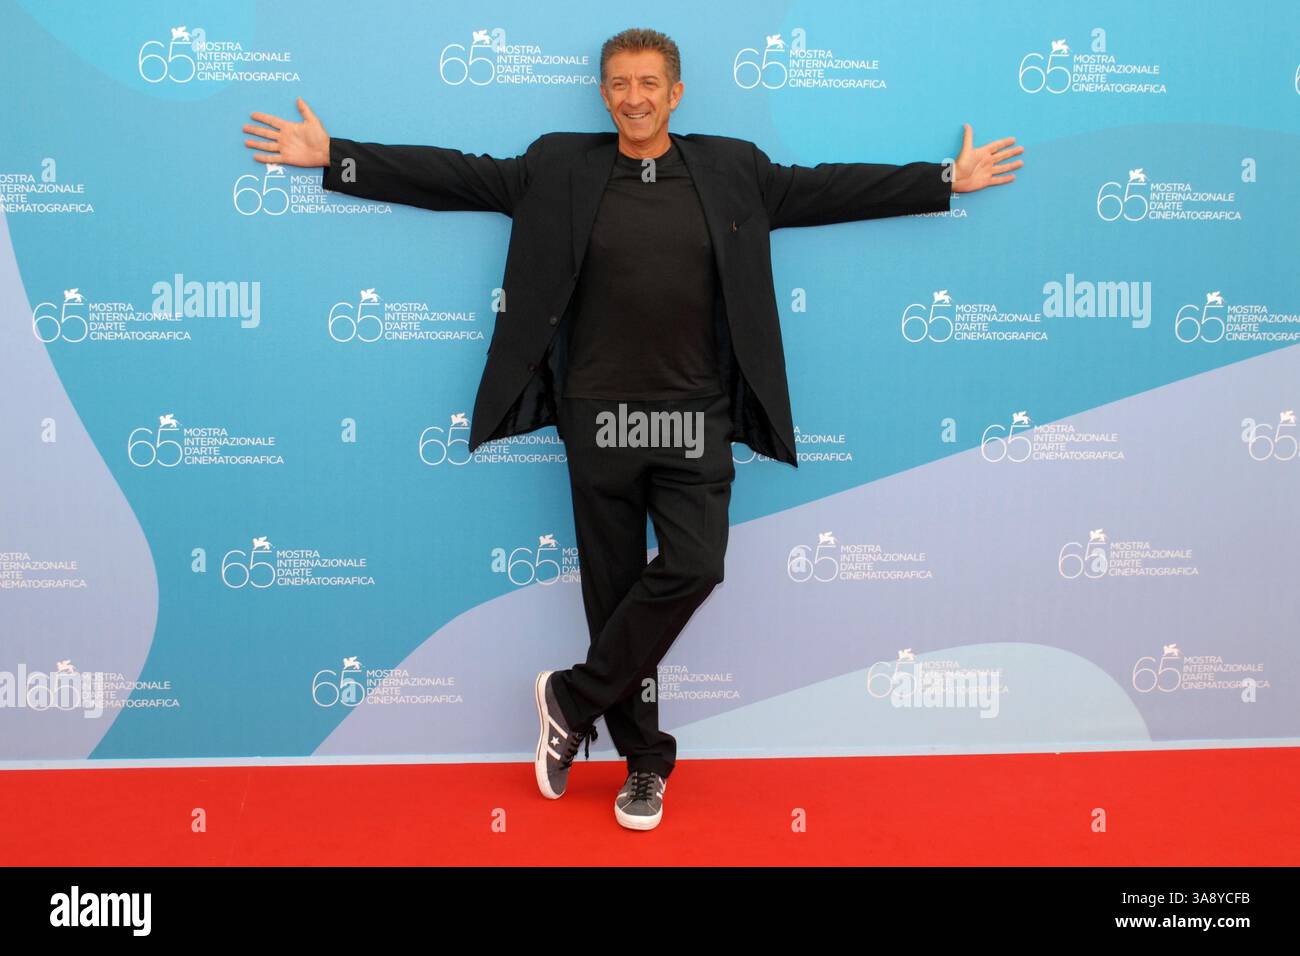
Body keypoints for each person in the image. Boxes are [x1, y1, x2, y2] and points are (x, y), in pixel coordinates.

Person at [242, 27, 1024, 832]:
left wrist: (945, 180)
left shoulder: (733, 170)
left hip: (696, 419)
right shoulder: (557, 167)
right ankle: (644, 765)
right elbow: (457, 177)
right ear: (603, 93)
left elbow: (831, 191)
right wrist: (336, 156)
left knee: (695, 564)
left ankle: (571, 698)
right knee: (613, 599)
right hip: (598, 417)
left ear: (676, 93)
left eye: (650, 83)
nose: (634, 97)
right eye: (619, 83)